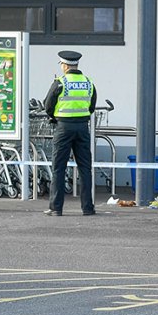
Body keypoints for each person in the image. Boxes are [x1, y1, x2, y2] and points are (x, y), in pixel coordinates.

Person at [43, 50, 97, 216]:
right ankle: (88, 208)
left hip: (64, 127)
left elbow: (48, 105)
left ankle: (56, 208)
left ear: (65, 65)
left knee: (59, 168)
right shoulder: (88, 82)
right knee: (85, 168)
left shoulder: (60, 83)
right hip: (82, 127)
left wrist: (55, 117)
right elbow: (91, 106)